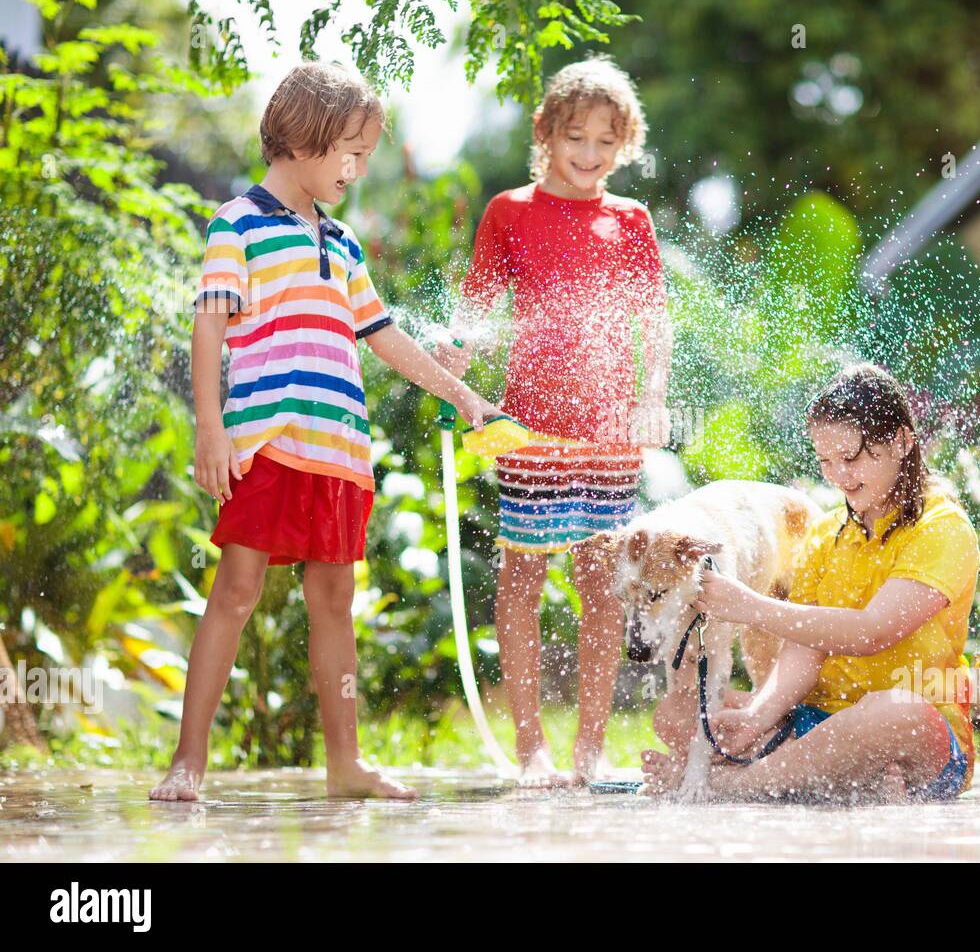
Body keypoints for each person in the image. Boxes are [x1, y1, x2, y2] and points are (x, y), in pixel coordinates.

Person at [150, 62, 497, 802]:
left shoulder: (342, 244)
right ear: (301, 139)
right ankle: (188, 762)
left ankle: (346, 764)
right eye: (349, 150)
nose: (358, 167)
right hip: (267, 442)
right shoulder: (237, 223)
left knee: (334, 602)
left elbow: (385, 335)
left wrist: (464, 395)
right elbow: (207, 326)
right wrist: (210, 428)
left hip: (340, 451)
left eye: (366, 155)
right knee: (236, 593)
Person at [442, 55, 671, 785]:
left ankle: (590, 747)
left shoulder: (629, 219)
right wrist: (455, 366)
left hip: (609, 435)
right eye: (577, 137)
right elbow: (477, 308)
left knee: (602, 584)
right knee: (522, 577)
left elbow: (655, 322)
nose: (591, 155)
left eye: (607, 142)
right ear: (546, 132)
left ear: (624, 144)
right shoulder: (509, 212)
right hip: (532, 429)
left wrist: (654, 398)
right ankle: (531, 745)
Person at [642, 363, 979, 802]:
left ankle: (729, 786)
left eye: (852, 457)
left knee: (897, 713)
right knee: (678, 710)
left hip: (913, 733)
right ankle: (840, 779)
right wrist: (759, 716)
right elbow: (805, 647)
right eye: (825, 460)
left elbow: (871, 632)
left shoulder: (942, 526)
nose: (838, 475)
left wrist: (750, 607)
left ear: (900, 440)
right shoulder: (827, 532)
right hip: (813, 721)